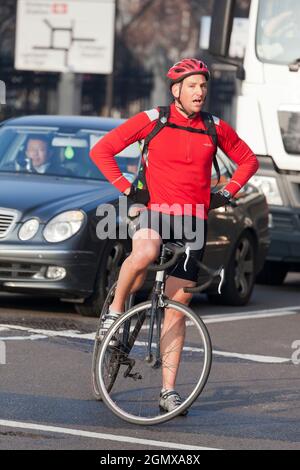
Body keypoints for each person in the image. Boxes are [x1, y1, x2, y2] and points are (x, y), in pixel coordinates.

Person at [90, 58, 259, 414]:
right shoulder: (154, 120)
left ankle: (168, 391)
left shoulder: (215, 127)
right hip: (153, 211)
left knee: (178, 309)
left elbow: (248, 161)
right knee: (147, 250)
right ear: (176, 90)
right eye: (193, 86)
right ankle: (116, 308)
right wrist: (128, 189)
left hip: (193, 222)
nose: (200, 92)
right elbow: (101, 151)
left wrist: (226, 193)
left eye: (203, 86)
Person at [3, 136, 70, 175]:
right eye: (32, 149)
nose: (35, 153)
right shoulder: (12, 169)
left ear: (49, 153)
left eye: (41, 150)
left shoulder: (62, 173)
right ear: (27, 153)